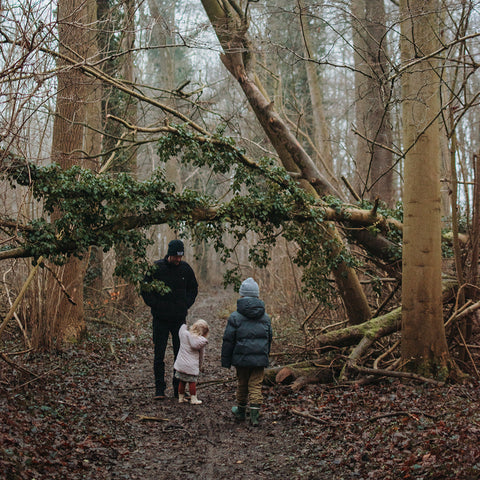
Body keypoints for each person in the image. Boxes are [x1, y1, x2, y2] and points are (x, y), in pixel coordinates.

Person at [140, 239, 198, 400]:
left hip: (179, 319)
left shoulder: (186, 269)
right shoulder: (157, 268)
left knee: (181, 354)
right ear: (169, 254)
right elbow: (145, 289)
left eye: (180, 256)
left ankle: (177, 388)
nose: (178, 259)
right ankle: (159, 389)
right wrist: (156, 305)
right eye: (175, 256)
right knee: (159, 354)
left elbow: (194, 288)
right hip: (160, 319)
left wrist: (185, 304)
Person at [221, 277, 272, 426]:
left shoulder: (235, 317)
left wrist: (226, 360)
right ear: (257, 296)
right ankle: (255, 415)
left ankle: (241, 411)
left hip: (241, 358)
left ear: (242, 296)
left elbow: (228, 340)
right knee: (256, 385)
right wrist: (265, 354)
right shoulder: (265, 317)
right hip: (259, 360)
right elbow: (269, 338)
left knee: (242, 383)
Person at [173, 319, 209, 405]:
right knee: (192, 382)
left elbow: (181, 328)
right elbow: (201, 356)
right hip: (191, 366)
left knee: (182, 381)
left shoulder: (184, 335)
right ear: (205, 333)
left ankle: (181, 398)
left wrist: (184, 325)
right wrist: (200, 365)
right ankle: (194, 399)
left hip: (181, 363)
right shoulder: (201, 341)